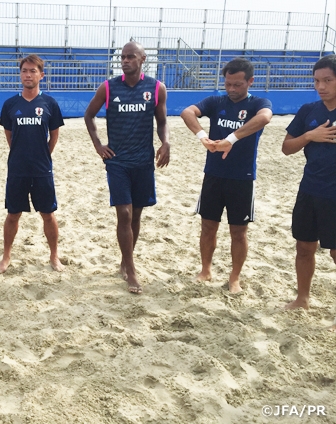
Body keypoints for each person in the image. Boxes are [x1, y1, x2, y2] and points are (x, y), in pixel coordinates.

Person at [84, 41, 170, 294]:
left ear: (143, 59)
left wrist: (166, 142)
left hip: (143, 161)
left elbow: (162, 120)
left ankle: (125, 260)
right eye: (122, 57)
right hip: (118, 161)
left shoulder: (156, 88)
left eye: (130, 56)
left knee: (137, 215)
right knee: (124, 213)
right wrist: (99, 145)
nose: (125, 60)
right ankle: (131, 269)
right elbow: (89, 116)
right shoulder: (109, 87)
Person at [181, 58, 272, 293]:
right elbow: (187, 112)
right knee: (208, 226)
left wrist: (230, 139)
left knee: (238, 232)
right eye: (228, 84)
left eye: (238, 85)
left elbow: (265, 118)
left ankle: (234, 278)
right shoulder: (216, 101)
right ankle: (205, 270)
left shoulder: (258, 103)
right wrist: (202, 136)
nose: (231, 89)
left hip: (242, 177)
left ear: (250, 81)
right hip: (213, 174)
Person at [0, 54, 64, 274]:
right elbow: (9, 135)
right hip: (17, 168)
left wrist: (43, 154)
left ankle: (54, 256)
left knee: (48, 214)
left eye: (33, 71)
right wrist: (21, 153)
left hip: (42, 169)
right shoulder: (10, 104)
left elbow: (54, 135)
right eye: (24, 70)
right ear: (20, 74)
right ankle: (6, 257)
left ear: (41, 75)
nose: (28, 74)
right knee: (13, 214)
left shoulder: (49, 104)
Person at [282, 54, 336, 314]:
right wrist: (310, 136)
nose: (321, 86)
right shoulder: (308, 111)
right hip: (310, 190)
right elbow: (287, 148)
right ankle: (302, 298)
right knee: (304, 247)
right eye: (316, 80)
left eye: (328, 80)